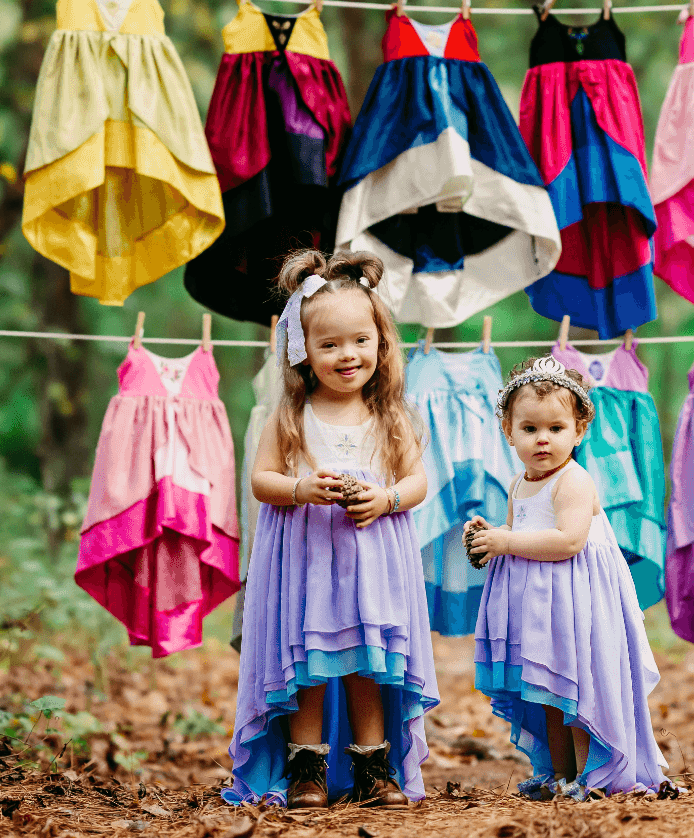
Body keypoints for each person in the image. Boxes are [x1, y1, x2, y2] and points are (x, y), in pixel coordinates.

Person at [226, 250, 437, 809]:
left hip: (370, 568)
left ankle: (373, 769)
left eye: (360, 341)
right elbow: (261, 480)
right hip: (307, 564)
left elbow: (418, 482)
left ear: (380, 343)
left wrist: (387, 498)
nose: (348, 355)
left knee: (368, 663)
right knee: (310, 668)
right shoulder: (291, 416)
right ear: (302, 352)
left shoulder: (391, 415)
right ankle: (306, 770)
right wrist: (302, 489)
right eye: (330, 345)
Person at [465, 356, 670, 799]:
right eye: (530, 429)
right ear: (508, 431)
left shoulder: (573, 481)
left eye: (556, 429)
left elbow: (569, 540)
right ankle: (559, 774)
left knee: (578, 685)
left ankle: (591, 773)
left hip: (577, 598)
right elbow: (519, 532)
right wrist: (491, 536)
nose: (543, 440)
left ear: (578, 432)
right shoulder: (519, 483)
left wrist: (507, 542)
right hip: (537, 603)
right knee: (546, 688)